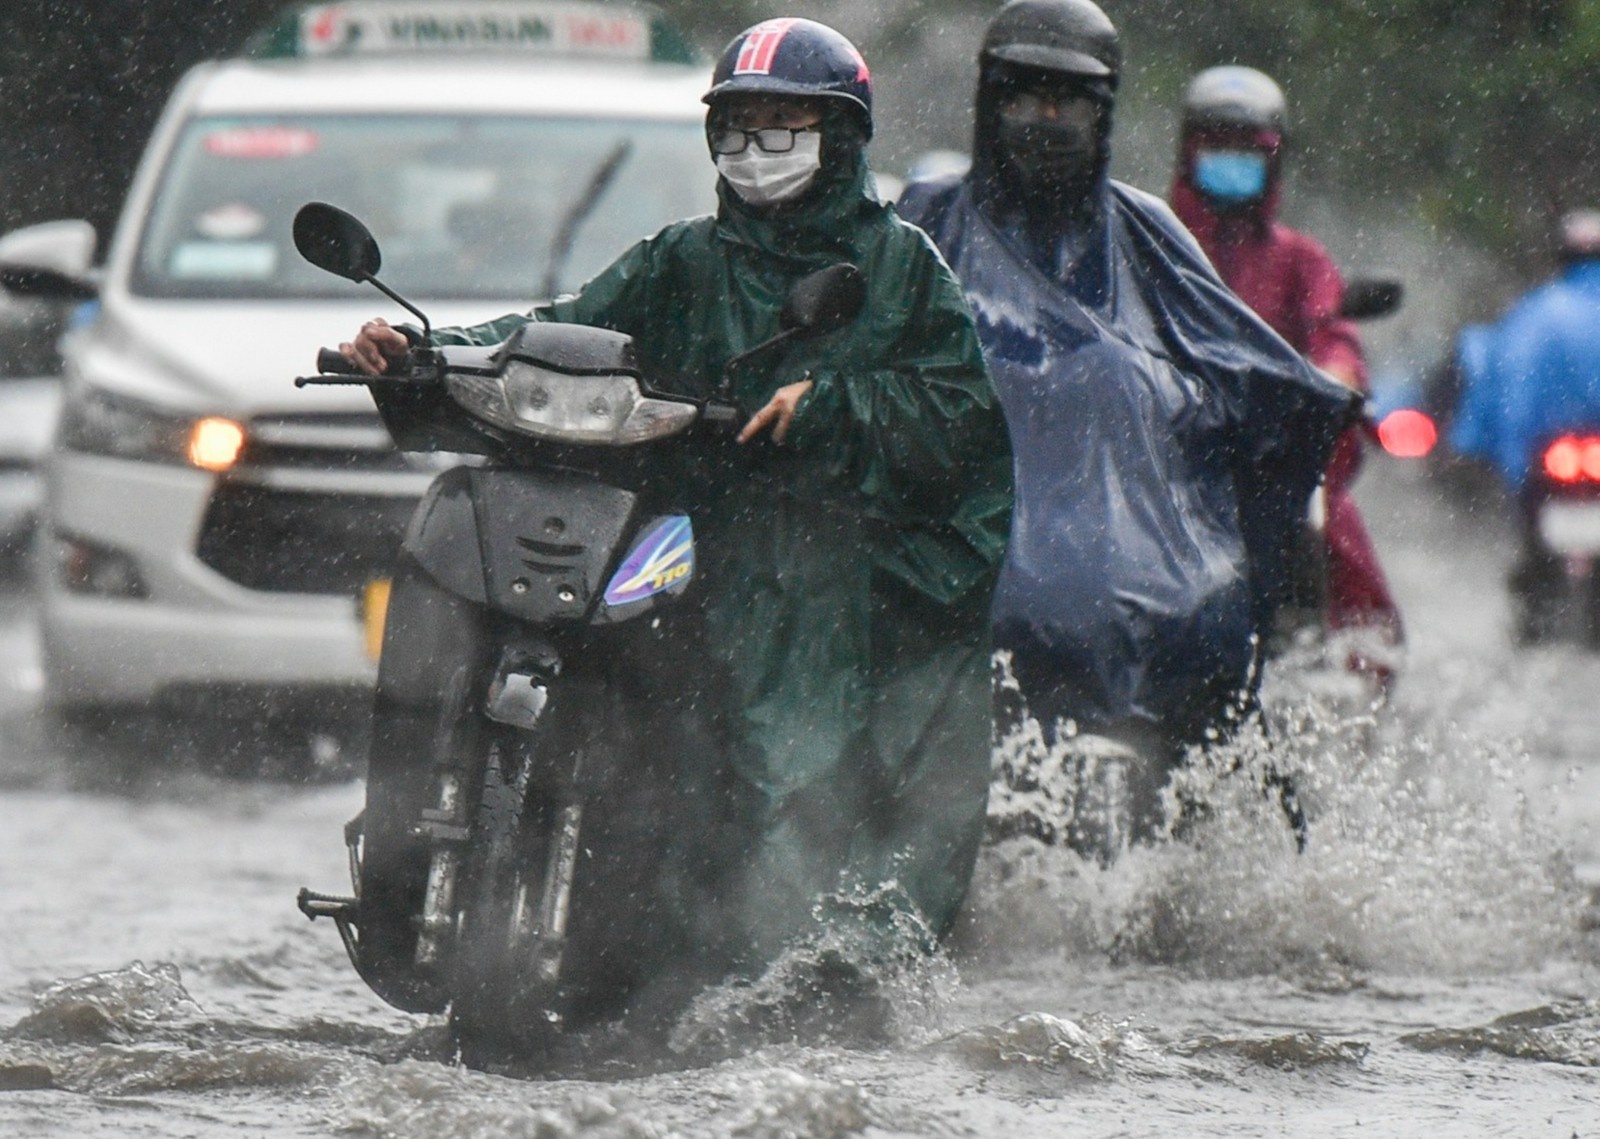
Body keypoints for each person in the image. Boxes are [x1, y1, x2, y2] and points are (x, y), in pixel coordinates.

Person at [342, 19, 1013, 1007]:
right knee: (641, 724)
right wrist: (427, 347)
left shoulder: (903, 267)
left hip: (819, 566)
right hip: (672, 539)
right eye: (737, 126)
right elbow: (565, 326)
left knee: (779, 777)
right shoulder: (681, 259)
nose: (755, 148)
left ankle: (765, 984)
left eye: (783, 123)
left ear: (840, 136)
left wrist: (834, 406)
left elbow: (959, 416)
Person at [897, 0, 1356, 844]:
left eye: (1068, 101)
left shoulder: (1148, 232)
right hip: (956, 544)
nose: (1046, 120)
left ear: (1101, 112)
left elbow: (1247, 370)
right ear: (987, 100)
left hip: (1131, 554)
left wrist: (1311, 401)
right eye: (1025, 96)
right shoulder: (923, 226)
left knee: (1218, 639)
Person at [1168, 65, 1403, 686]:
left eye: (1248, 150)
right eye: (1216, 145)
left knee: (1339, 535)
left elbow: (1333, 335)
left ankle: (1356, 678)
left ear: (1273, 160)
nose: (1231, 162)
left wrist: (1338, 372)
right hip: (1165, 448)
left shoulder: (1299, 260)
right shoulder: (1151, 236)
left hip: (1272, 462)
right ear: (1188, 150)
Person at [1450, 208, 1600, 639]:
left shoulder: (1532, 314)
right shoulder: (1532, 314)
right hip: (1548, 469)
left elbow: (1497, 391)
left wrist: (1475, 445)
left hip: (1544, 464)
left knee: (1533, 566)